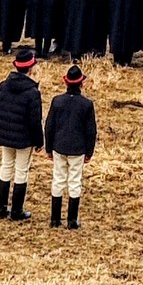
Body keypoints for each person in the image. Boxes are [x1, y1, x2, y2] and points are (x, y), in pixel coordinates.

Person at [0, 48, 43, 223]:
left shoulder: (3, 86)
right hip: (24, 139)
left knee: (6, 167)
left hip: (6, 135)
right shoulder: (32, 93)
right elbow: (35, 121)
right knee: (21, 171)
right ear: (30, 68)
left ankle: (2, 208)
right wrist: (39, 141)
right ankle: (17, 210)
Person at [44, 65, 98, 228]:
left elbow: (49, 126)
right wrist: (89, 152)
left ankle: (55, 219)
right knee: (75, 181)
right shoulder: (86, 105)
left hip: (59, 146)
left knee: (58, 179)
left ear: (66, 83)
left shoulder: (57, 101)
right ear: (81, 84)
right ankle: (72, 220)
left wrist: (48, 147)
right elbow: (91, 131)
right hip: (78, 149)